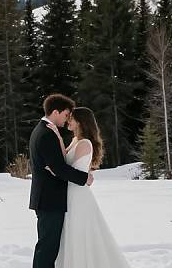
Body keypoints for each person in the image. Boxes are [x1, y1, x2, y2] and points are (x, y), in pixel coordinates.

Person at [47, 106, 131, 268]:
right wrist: (57, 137)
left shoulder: (85, 143)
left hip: (77, 196)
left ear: (80, 121)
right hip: (69, 193)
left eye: (71, 118)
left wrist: (55, 169)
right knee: (70, 235)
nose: (68, 121)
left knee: (78, 233)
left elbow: (69, 169)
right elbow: (63, 159)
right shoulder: (75, 140)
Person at [29, 94, 94, 268]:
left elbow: (56, 166)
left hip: (48, 199)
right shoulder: (46, 134)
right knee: (47, 248)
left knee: (49, 248)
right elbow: (59, 168)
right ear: (56, 112)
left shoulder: (45, 130)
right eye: (66, 114)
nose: (67, 119)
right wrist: (84, 177)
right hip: (49, 200)